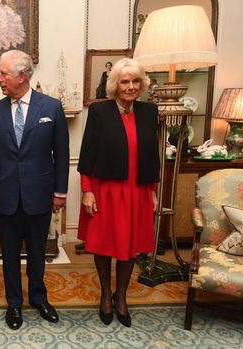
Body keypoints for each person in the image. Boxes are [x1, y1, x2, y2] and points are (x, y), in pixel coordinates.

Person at [0, 50, 69, 330]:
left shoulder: (51, 108)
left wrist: (60, 192)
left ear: (21, 76)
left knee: (36, 252)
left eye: (2, 73)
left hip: (40, 194)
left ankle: (39, 298)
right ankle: (14, 304)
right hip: (5, 194)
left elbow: (63, 154)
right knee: (8, 254)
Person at [77, 57, 159, 328]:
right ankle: (105, 294)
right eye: (125, 81)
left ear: (142, 84)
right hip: (107, 190)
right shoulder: (100, 112)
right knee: (104, 244)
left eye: (136, 81)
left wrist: (153, 192)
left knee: (131, 246)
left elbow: (152, 156)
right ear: (115, 84)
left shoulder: (150, 112)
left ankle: (121, 296)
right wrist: (87, 191)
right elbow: (87, 155)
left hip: (138, 190)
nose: (131, 86)